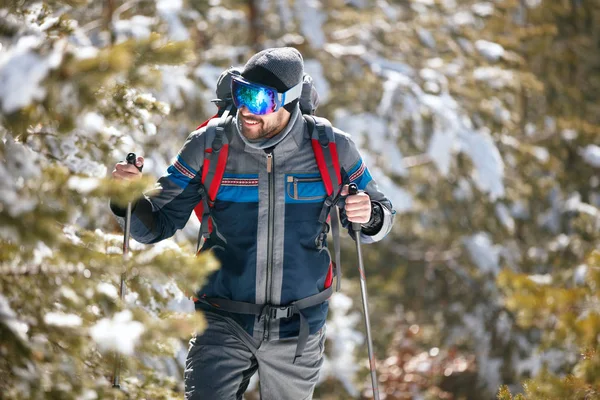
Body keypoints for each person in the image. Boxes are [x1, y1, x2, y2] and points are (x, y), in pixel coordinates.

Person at [111, 47, 395, 400]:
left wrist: (368, 215)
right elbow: (154, 225)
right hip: (222, 318)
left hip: (299, 327)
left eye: (261, 100)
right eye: (241, 93)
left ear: (289, 101)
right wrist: (130, 200)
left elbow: (382, 213)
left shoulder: (331, 148)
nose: (246, 108)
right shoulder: (210, 145)